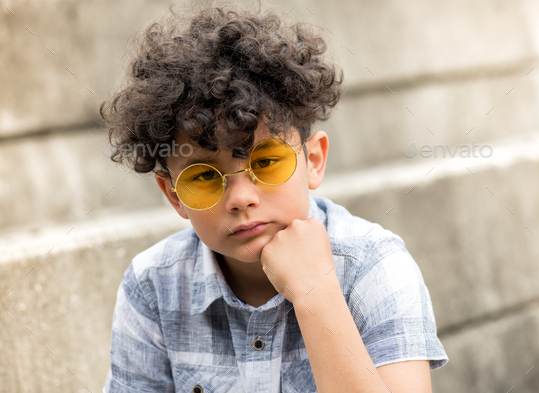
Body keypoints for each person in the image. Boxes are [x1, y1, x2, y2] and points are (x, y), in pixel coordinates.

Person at [99, 3, 448, 393]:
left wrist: (315, 294)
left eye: (265, 162)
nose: (241, 198)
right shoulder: (152, 286)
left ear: (312, 161)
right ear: (174, 196)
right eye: (203, 177)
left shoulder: (374, 267)